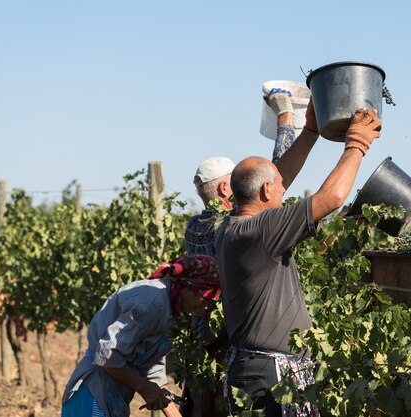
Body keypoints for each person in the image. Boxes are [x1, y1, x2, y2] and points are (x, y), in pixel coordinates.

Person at [216, 108, 381, 416]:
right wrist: (357, 143)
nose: (283, 188)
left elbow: (277, 177)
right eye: (279, 185)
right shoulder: (263, 231)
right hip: (270, 377)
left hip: (255, 370)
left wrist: (310, 132)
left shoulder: (233, 227)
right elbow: (331, 197)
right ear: (266, 191)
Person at [180, 89, 320, 417]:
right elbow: (267, 186)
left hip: (215, 344)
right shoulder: (239, 230)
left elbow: (267, 183)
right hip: (248, 352)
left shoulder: (200, 227)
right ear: (227, 189)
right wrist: (287, 122)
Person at [61, 254, 221, 417]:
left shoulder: (165, 306)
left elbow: (153, 375)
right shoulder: (153, 303)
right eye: (207, 299)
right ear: (191, 289)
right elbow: (108, 355)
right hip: (94, 395)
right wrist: (144, 388)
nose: (207, 307)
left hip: (108, 394)